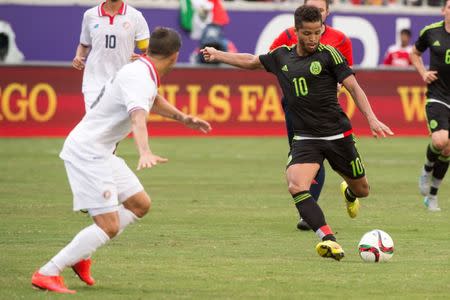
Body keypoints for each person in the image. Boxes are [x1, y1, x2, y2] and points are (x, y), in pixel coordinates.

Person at [202, 5, 393, 260]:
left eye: (317, 32)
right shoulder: (281, 56)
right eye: (307, 33)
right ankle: (328, 239)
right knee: (295, 184)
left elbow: (354, 87)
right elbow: (250, 61)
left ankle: (349, 192)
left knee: (363, 190)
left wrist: (371, 118)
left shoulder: (330, 55)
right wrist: (217, 54)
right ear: (296, 31)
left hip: (337, 135)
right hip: (305, 138)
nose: (313, 38)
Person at [31, 27, 212, 294]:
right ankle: (47, 272)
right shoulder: (141, 76)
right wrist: (145, 151)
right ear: (175, 56)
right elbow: (139, 115)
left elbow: (151, 99)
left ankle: (81, 253)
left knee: (140, 204)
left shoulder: (142, 69)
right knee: (110, 225)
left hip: (101, 151)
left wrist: (182, 118)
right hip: (88, 153)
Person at [270, 0, 353, 231]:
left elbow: (346, 73)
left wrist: (337, 86)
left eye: (321, 9)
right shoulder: (288, 36)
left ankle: (345, 193)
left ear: (328, 12)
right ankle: (310, 211)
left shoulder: (340, 40)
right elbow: (273, 60)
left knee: (321, 158)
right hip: (295, 108)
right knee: (305, 156)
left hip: (325, 111)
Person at [72, 0, 150, 112]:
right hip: (94, 81)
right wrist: (78, 56)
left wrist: (142, 59)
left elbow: (147, 50)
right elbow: (84, 44)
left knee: (117, 127)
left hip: (123, 82)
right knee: (95, 124)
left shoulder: (135, 16)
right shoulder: (90, 15)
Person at [411, 0, 450, 212]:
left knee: (448, 148)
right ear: (444, 10)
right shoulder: (431, 32)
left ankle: (433, 196)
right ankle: (427, 169)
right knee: (440, 139)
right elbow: (414, 53)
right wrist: (423, 72)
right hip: (438, 95)